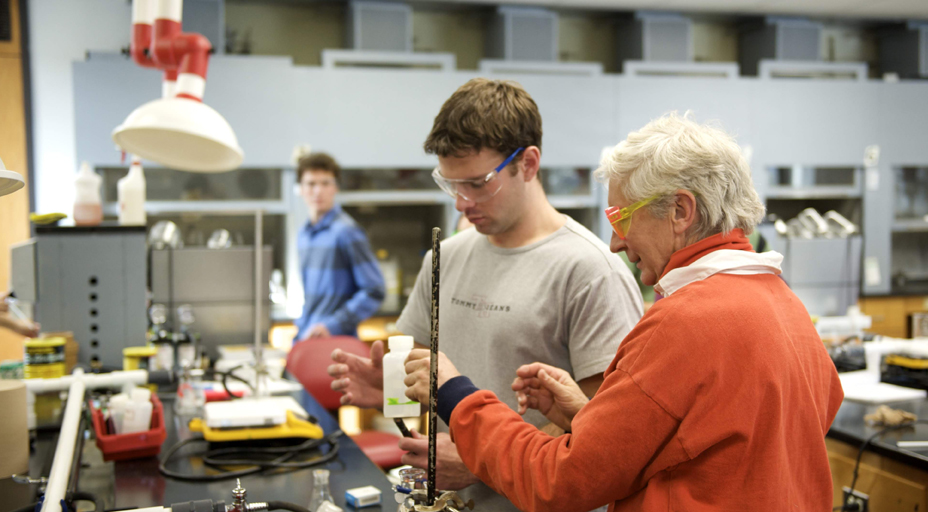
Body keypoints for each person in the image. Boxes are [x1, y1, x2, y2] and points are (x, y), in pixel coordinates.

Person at [403, 112, 844, 512]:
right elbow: (721, 442)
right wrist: (587, 418)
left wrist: (457, 395)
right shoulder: (784, 305)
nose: (615, 242)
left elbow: (557, 482)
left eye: (622, 218)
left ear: (680, 211)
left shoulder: (685, 320)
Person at [328, 78, 643, 511]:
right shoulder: (446, 257)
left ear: (528, 163)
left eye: (478, 183)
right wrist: (389, 392)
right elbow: (427, 377)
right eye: (451, 184)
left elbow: (601, 427)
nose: (461, 202)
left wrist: (483, 461)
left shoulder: (590, 270)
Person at [294, 152, 386, 341]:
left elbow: (375, 290)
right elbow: (311, 300)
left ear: (335, 187)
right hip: (308, 338)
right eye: (311, 184)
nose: (318, 191)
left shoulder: (346, 231)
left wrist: (332, 325)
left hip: (338, 343)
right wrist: (302, 328)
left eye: (325, 183)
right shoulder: (303, 235)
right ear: (301, 189)